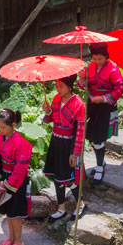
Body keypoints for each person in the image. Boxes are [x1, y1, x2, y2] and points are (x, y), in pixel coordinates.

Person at [77, 42, 123, 185]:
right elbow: (85, 87)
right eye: (94, 58)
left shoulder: (113, 70)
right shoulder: (90, 67)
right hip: (92, 106)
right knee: (90, 135)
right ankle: (100, 162)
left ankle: (99, 167)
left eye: (100, 59)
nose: (97, 62)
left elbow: (119, 89)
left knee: (99, 137)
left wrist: (103, 98)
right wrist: (82, 79)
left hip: (105, 107)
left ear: (106, 57)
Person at [42, 74, 86, 223]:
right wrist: (48, 112)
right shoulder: (55, 100)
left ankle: (80, 204)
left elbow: (80, 131)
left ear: (69, 86)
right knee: (57, 176)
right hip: (56, 142)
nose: (58, 89)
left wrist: (75, 153)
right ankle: (61, 208)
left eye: (61, 86)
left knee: (72, 178)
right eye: (56, 85)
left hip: (69, 145)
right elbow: (52, 119)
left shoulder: (79, 105)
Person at [0, 108, 33, 245]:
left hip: (16, 182)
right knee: (8, 213)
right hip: (3, 177)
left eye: (4, 127)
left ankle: (19, 241)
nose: (1, 130)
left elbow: (21, 169)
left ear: (13, 124)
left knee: (15, 214)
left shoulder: (22, 144)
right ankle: (11, 237)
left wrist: (7, 185)